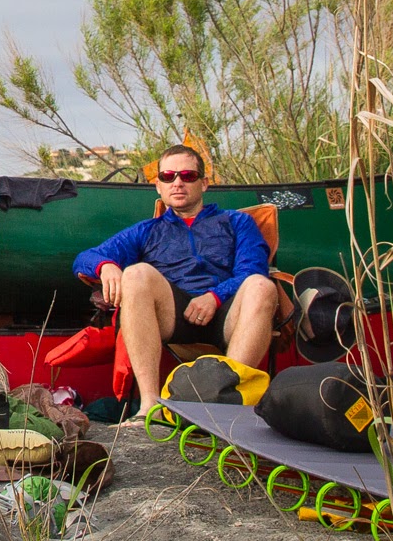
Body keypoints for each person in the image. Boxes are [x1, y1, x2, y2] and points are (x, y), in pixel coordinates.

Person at [70, 143, 282, 418]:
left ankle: (226, 403)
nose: (178, 183)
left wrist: (214, 296)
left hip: (228, 314)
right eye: (168, 177)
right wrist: (106, 265)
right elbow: (84, 258)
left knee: (261, 286)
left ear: (204, 183)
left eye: (188, 176)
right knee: (136, 273)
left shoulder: (236, 222)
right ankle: (150, 406)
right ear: (159, 186)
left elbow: (252, 269)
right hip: (173, 315)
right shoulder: (148, 230)